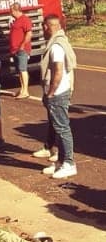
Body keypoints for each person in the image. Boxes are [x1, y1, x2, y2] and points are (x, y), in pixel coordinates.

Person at [39, 14, 78, 179]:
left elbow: (58, 72)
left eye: (43, 27)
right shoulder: (61, 41)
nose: (43, 30)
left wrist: (51, 92)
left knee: (62, 129)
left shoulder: (56, 46)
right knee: (58, 128)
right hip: (61, 91)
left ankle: (69, 163)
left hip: (58, 93)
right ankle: (61, 163)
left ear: (47, 26)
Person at [8, 3, 32, 99]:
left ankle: (25, 91)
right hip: (15, 50)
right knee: (19, 71)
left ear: (15, 10)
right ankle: (22, 89)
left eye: (11, 10)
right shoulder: (16, 21)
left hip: (22, 49)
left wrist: (22, 45)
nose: (10, 12)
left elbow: (29, 34)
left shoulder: (25, 20)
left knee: (23, 69)